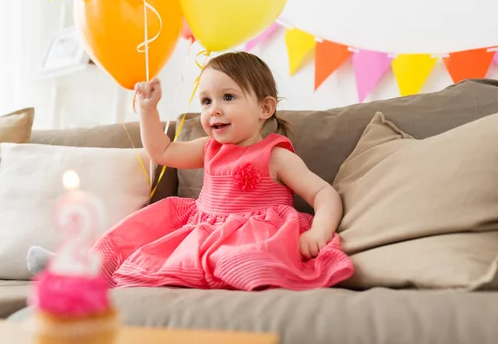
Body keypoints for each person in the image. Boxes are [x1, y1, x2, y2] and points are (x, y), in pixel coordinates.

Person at [28, 51, 354, 290]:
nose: (214, 110)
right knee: (131, 235)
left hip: (253, 234)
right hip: (200, 228)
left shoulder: (275, 156)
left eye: (228, 97)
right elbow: (162, 150)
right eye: (206, 101)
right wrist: (148, 111)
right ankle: (74, 268)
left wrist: (318, 233)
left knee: (244, 261)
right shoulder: (208, 148)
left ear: (264, 108)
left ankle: (237, 277)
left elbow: (324, 193)